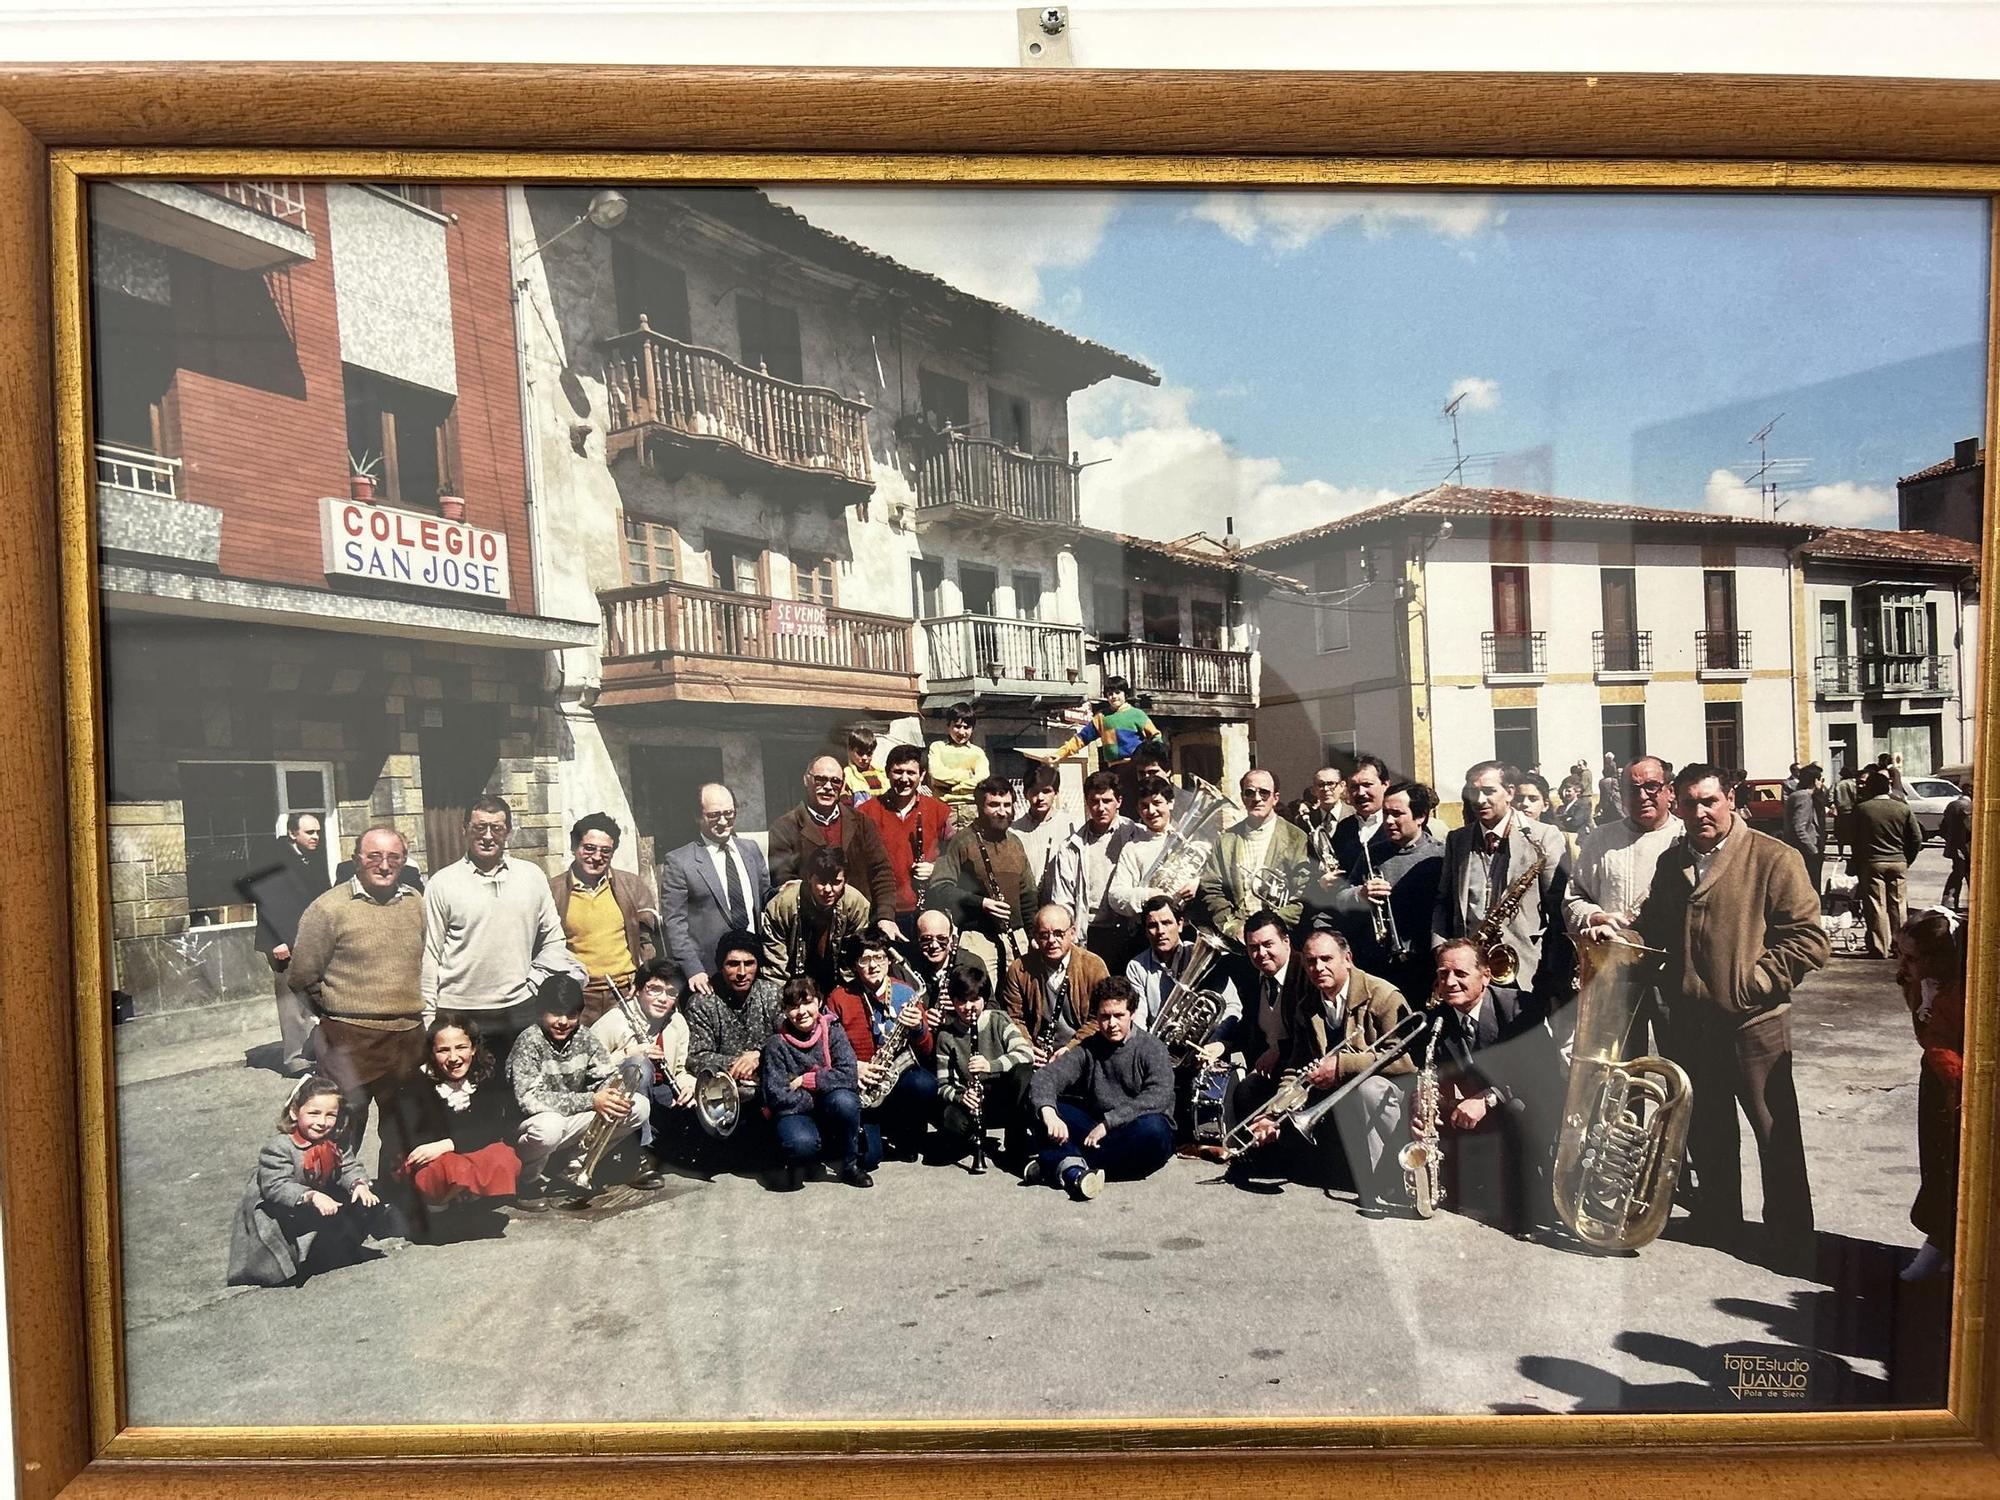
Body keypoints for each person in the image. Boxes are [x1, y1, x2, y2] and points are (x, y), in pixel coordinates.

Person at [1638, 762, 1830, 1270]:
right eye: (1689, 803)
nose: (1700, 811)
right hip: (1691, 1024)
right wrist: (1618, 937)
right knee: (1707, 1129)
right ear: (1676, 807)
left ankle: (1791, 1242)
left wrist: (1755, 984)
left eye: (1709, 801)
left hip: (1754, 1024)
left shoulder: (1774, 857)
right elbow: (1654, 928)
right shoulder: (1671, 862)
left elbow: (1809, 939)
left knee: (1776, 1134)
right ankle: (1719, 1222)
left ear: (1730, 800)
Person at [1234, 926, 1417, 1203]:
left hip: (1388, 1093)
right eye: (1310, 961)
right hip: (1337, 1093)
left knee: (1370, 1089)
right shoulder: (1308, 1006)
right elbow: (1296, 1067)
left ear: (1348, 958)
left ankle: (1387, 1180)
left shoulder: (1383, 996)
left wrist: (1341, 1065)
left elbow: (1403, 1059)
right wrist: (1274, 1113)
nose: (1317, 967)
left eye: (1326, 959)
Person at [286, 825, 427, 1164]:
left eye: (394, 857)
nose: (383, 865)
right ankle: (331, 1204)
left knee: (404, 1131)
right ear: (356, 860)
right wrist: (339, 1011)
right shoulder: (328, 908)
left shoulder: (415, 902)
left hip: (407, 1037)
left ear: (404, 861)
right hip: (349, 1040)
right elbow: (302, 975)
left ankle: (393, 1203)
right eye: (373, 856)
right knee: (340, 1130)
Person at [1421, 938, 1565, 1236]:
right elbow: (1431, 1073)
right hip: (1477, 1105)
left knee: (1517, 1107)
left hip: (1531, 1100)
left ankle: (1527, 1207)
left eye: (1460, 974)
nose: (1449, 982)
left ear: (1486, 976)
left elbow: (1540, 1073)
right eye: (1442, 974)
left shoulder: (1519, 1007)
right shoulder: (1438, 1018)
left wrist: (1488, 1098)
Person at [421, 796, 583, 1061]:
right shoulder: (442, 883)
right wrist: (428, 1018)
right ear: (464, 830)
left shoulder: (531, 876)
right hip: (459, 1011)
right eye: (479, 827)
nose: (487, 836)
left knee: (518, 1094)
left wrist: (535, 980)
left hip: (519, 1009)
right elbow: (429, 955)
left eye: (496, 828)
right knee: (466, 1099)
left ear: (508, 831)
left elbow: (554, 939)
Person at [227, 1075, 392, 1287]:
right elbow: (276, 1187)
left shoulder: (335, 1141)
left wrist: (358, 1184)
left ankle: (330, 1250)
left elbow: (348, 1166)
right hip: (278, 1209)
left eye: (330, 1115)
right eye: (314, 1113)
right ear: (295, 1112)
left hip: (315, 1201)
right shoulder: (279, 1147)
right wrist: (312, 1196)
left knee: (360, 1209)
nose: (322, 1122)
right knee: (279, 1266)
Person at [507, 973, 654, 1210]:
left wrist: (611, 1096)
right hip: (531, 1127)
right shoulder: (529, 1041)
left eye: (572, 1014)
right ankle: (528, 1180)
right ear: (540, 1011)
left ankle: (575, 1166)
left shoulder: (584, 1037)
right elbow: (529, 1100)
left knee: (638, 1106)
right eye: (555, 1013)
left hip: (571, 1121)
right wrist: (592, 1100)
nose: (563, 1021)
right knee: (550, 1127)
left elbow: (605, 1076)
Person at [1431, 760, 1571, 1006]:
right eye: (1473, 792)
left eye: (1488, 791)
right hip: (1468, 968)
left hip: (1524, 968)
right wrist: (1441, 951)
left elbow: (1558, 911)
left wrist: (1553, 971)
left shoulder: (1544, 836)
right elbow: (1444, 901)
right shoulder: (1458, 839)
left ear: (1510, 792)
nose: (1479, 800)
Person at [1024, 978, 1176, 1199]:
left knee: (1155, 1130)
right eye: (1105, 1016)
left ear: (1132, 1014)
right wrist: (1049, 1113)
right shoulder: (1089, 1047)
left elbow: (1159, 1095)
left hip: (1134, 1128)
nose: (1112, 1024)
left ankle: (1063, 1164)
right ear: (1096, 1017)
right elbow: (1047, 1077)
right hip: (1095, 1128)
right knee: (1040, 1106)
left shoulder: (1152, 1047)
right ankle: (1075, 1171)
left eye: (1119, 1016)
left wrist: (1109, 1123)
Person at [1303, 779, 1442, 1007]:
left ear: (1421, 817)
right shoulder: (1373, 853)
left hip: (1424, 963)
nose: (1388, 821)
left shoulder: (1440, 855)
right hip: (1379, 962)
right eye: (1386, 813)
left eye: (1397, 814)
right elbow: (1340, 898)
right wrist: (1360, 894)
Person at [1125, 895, 1241, 1144]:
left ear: (1180, 923)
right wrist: (1153, 1051)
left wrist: (1219, 1043)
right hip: (1161, 1054)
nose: (1160, 931)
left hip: (1202, 1052)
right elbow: (1140, 1019)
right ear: (1145, 930)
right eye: (1152, 926)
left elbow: (1232, 1007)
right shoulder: (1137, 967)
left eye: (1166, 923)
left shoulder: (1201, 954)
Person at [393, 1015, 522, 1228]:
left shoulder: (485, 1074)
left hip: (459, 1149)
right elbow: (411, 1132)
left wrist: (450, 1144)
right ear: (432, 1053)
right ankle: (438, 1210)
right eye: (443, 1050)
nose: (453, 1057)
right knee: (448, 1169)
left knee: (502, 1156)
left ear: (473, 1049)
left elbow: (495, 1125)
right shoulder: (416, 1082)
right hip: (432, 1157)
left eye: (461, 1047)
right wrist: (442, 1147)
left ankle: (470, 1200)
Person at [1895, 907, 1966, 1282]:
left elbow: (1945, 1039)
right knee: (1938, 1170)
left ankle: (1944, 1248)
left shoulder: (1958, 991)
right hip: (1937, 1084)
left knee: (1954, 1175)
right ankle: (1945, 1246)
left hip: (1959, 1086)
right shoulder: (1921, 984)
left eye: (1912, 957)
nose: (1903, 965)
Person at [827, 930, 937, 1162]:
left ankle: (904, 1132)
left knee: (924, 1084)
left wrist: (919, 1027)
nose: (873, 966)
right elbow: (827, 1051)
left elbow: (926, 1050)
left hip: (896, 1078)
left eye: (879, 958)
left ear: (888, 960)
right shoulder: (838, 998)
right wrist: (854, 1067)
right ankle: (872, 1132)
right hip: (861, 1083)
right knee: (869, 1159)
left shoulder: (906, 992)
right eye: (864, 960)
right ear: (855, 965)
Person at [238, 809, 332, 1076]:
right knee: (291, 1002)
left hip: (308, 941)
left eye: (317, 832)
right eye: (309, 832)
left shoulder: (309, 859)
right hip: (283, 943)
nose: (316, 837)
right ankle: (295, 1059)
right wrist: (277, 940)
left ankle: (314, 1053)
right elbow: (266, 901)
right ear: (293, 833)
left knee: (312, 999)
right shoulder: (273, 858)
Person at [658, 783, 771, 997]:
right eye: (714, 815)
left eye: (729, 814)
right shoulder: (680, 861)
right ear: (697, 816)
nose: (723, 822)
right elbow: (675, 923)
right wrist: (694, 969)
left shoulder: (751, 850)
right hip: (709, 976)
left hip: (754, 969)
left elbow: (766, 898)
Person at [767, 756, 901, 936]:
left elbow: (881, 871)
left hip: (857, 927)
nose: (828, 787)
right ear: (806, 780)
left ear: (843, 785)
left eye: (835, 781)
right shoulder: (785, 827)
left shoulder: (862, 823)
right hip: (810, 931)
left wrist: (885, 916)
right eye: (820, 779)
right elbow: (785, 881)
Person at [590, 957, 701, 1173]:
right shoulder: (614, 1021)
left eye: (670, 993)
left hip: (660, 1094)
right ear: (638, 990)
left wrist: (691, 1087)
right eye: (654, 989)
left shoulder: (677, 1022)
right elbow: (587, 1070)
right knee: (639, 1064)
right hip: (618, 1099)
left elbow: (679, 1070)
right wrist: (626, 1054)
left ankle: (654, 1145)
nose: (662, 999)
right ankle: (634, 1156)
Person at [549, 813, 661, 1026]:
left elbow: (648, 942)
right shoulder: (553, 891)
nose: (597, 856)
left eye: (606, 851)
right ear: (575, 847)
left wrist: (643, 979)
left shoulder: (632, 886)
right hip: (579, 997)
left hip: (624, 994)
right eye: (589, 848)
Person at [761, 975, 870, 1191]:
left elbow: (848, 1074)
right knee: (801, 1144)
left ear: (818, 1002)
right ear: (784, 1010)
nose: (801, 1012)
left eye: (807, 1003)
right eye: (793, 1006)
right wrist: (816, 1095)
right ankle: (807, 1159)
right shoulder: (776, 1044)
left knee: (847, 1103)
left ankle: (849, 1166)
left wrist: (807, 1080)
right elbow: (777, 1095)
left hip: (826, 1104)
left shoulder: (833, 1030)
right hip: (796, 1112)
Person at [682, 931, 785, 1159]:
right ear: (720, 966)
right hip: (723, 1093)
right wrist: (737, 1064)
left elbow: (788, 1040)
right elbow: (696, 1056)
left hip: (766, 1087)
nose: (741, 972)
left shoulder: (771, 994)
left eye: (749, 964)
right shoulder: (702, 1002)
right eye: (732, 964)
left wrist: (759, 1055)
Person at [1565, 755, 1684, 948]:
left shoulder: (1685, 837)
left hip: (1669, 964)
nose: (1642, 796)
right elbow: (1574, 897)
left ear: (1669, 791)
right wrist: (1594, 917)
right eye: (1632, 789)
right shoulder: (1600, 838)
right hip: (1610, 957)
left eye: (1651, 786)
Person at [925, 775, 1037, 976]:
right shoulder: (961, 841)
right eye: (994, 805)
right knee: (981, 999)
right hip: (978, 938)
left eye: (1007, 805)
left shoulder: (1015, 843)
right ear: (979, 807)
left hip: (1016, 935)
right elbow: (940, 888)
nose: (1002, 812)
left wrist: (1032, 936)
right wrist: (981, 903)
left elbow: (1028, 895)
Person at [933, 965, 1033, 1172]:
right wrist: (961, 1097)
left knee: (1024, 1072)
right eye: (961, 1000)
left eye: (974, 999)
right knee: (950, 1123)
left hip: (1001, 1096)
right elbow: (943, 1085)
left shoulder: (998, 1019)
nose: (968, 1006)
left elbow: (1026, 1054)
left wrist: (990, 1065)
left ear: (984, 999)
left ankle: (1015, 1143)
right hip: (973, 1102)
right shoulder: (946, 1036)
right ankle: (974, 1139)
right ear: (952, 1001)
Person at [853, 743, 955, 936]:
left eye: (911, 772)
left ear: (922, 775)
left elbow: (956, 857)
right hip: (881, 912)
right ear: (887, 773)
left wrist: (937, 868)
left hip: (927, 911)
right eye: (898, 772)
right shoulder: (865, 813)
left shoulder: (939, 810)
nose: (904, 779)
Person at [1199, 768, 1308, 943]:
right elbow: (1211, 888)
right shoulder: (1226, 840)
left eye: (1264, 793)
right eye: (1249, 792)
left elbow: (1302, 893)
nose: (1256, 798)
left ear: (1275, 798)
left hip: (1280, 937)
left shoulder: (1296, 838)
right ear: (1243, 797)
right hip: (1239, 937)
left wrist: (1273, 928)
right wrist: (1233, 926)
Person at [1103, 778, 1204, 963]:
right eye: (1144, 806)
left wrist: (1198, 883)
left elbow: (1216, 879)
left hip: (1188, 930)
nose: (1151, 811)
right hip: (1149, 935)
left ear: (1171, 803)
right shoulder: (1133, 848)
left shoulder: (1191, 841)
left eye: (1157, 803)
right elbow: (1115, 896)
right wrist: (1150, 895)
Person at [999, 903, 1111, 1063]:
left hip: (1083, 1050)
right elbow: (1014, 1017)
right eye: (1044, 935)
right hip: (1037, 1054)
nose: (1051, 940)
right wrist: (1026, 1046)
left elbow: (1100, 1018)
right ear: (1035, 937)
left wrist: (1072, 1048)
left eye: (1059, 934)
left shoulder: (1093, 966)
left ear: (1072, 933)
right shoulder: (1019, 969)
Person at [1044, 770, 1137, 960]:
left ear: (1119, 801)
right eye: (1095, 801)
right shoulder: (1070, 847)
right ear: (1087, 803)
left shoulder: (1135, 835)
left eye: (1107, 801)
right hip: (1091, 932)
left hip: (1129, 930)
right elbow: (1063, 900)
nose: (1100, 807)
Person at [762, 846, 876, 1000]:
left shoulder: (856, 904)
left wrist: (844, 997)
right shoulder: (781, 906)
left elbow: (853, 958)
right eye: (821, 882)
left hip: (837, 980)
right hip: (793, 980)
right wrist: (789, 1000)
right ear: (809, 877)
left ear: (845, 881)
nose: (828, 889)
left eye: (836, 882)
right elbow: (776, 966)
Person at [1027, 676, 1163, 802]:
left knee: (1138, 802)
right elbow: (1081, 739)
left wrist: (1153, 760)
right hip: (1113, 769)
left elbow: (1156, 736)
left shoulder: (1137, 715)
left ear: (1125, 694)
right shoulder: (1101, 717)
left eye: (1117, 692)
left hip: (1134, 767)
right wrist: (1059, 754)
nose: (1114, 696)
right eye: (1110, 694)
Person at [1849, 766, 1925, 958]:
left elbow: (1854, 838)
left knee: (1876, 905)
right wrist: (1907, 858)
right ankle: (1901, 948)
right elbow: (1916, 838)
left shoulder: (1862, 809)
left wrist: (1857, 862)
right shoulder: (1902, 807)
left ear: (1871, 788)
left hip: (1872, 862)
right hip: (1898, 860)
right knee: (1898, 906)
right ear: (1888, 788)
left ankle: (1879, 947)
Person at [906, 909, 990, 1021]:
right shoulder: (908, 967)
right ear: (917, 939)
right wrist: (922, 1021)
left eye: (941, 939)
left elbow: (992, 1007)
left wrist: (961, 1006)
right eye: (926, 939)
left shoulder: (972, 963)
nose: (934, 945)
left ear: (951, 938)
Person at [1012, 763, 1075, 895]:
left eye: (1046, 791)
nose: (1040, 798)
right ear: (1025, 794)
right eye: (1034, 791)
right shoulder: (1014, 831)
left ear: (1056, 793)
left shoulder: (1070, 826)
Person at [925, 704, 990, 822]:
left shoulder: (978, 752)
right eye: (957, 726)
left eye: (966, 727)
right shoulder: (937, 747)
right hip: (944, 809)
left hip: (972, 809)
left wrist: (953, 787)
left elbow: (982, 779)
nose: (962, 732)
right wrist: (967, 775)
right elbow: (937, 774)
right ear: (948, 725)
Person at [1783, 764, 1827, 896]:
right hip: (1806, 850)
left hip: (1809, 846)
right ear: (1814, 781)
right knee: (1810, 886)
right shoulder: (1804, 797)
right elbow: (1799, 826)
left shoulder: (1805, 795)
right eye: (1819, 779)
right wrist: (1812, 848)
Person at [1941, 778, 1974, 911]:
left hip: (1956, 848)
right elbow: (1972, 828)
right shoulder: (1967, 807)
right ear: (1968, 790)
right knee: (1967, 875)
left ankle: (1948, 901)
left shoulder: (1951, 805)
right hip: (1966, 849)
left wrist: (1950, 840)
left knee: (1958, 874)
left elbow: (1943, 827)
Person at [843, 723, 888, 803]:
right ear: (850, 750)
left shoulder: (882, 774)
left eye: (869, 754)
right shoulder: (846, 775)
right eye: (860, 753)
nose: (864, 758)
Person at [1595, 752, 1623, 825]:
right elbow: (1617, 789)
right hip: (1614, 799)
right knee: (1619, 813)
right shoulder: (1613, 780)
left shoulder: (1601, 781)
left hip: (1605, 801)